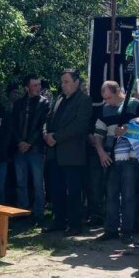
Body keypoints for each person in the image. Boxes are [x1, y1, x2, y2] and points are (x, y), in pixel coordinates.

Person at [92, 81, 139, 243]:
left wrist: (128, 130)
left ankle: (128, 230)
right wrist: (101, 152)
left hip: (131, 157)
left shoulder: (136, 105)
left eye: (109, 97)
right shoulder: (105, 109)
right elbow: (98, 134)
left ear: (118, 92)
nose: (107, 101)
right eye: (105, 99)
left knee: (129, 195)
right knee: (111, 194)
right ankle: (111, 229)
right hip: (111, 157)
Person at [42, 69, 92, 234]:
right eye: (62, 82)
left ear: (76, 82)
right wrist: (46, 134)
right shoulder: (59, 99)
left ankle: (75, 224)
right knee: (56, 189)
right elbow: (48, 119)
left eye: (66, 82)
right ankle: (59, 221)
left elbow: (80, 126)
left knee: (73, 191)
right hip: (55, 153)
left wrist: (56, 137)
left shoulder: (83, 100)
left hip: (72, 155)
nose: (63, 85)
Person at [10, 75, 48, 227]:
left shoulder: (44, 103)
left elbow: (42, 126)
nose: (38, 88)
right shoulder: (18, 104)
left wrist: (29, 143)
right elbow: (13, 125)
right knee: (21, 182)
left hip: (36, 148)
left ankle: (39, 213)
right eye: (34, 85)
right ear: (27, 88)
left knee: (38, 183)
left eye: (39, 85)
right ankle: (23, 212)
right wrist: (19, 142)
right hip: (20, 148)